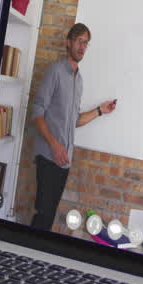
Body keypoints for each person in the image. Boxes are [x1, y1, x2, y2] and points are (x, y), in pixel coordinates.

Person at [28, 23, 116, 231]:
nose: (82, 46)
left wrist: (100, 111)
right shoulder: (55, 71)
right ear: (69, 43)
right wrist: (55, 145)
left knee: (48, 216)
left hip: (64, 160)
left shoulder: (79, 81)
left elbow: (73, 120)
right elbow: (37, 111)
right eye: (79, 41)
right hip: (49, 155)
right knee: (43, 214)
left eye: (86, 43)